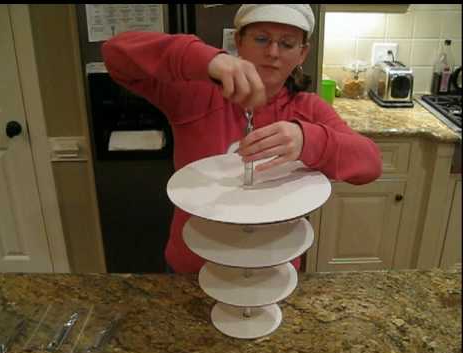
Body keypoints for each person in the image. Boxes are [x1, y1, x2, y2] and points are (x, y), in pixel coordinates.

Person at [102, 4, 383, 273]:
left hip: (274, 271)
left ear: (302, 53)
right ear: (239, 41)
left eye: (287, 44)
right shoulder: (192, 94)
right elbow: (115, 54)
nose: (273, 52)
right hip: (192, 266)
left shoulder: (309, 109)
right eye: (261, 39)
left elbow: (370, 164)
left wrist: (308, 140)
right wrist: (206, 59)